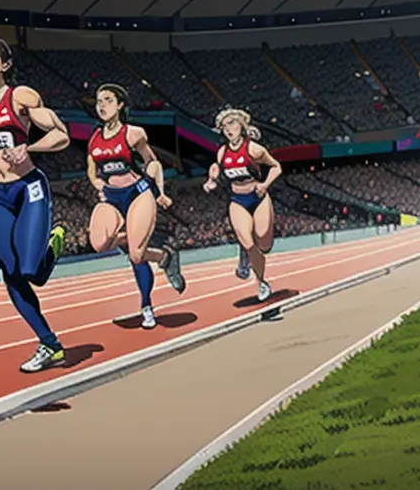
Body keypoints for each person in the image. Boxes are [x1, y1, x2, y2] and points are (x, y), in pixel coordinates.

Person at [0, 38, 69, 373]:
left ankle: (50, 249)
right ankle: (49, 343)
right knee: (10, 271)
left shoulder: (21, 96)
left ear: (5, 65)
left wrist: (30, 149)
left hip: (28, 188)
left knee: (32, 271)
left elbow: (61, 134)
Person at [86, 84, 185, 329]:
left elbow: (152, 162)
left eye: (108, 100)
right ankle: (162, 256)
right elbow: (92, 172)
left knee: (137, 256)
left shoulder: (134, 134)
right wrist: (99, 186)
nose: (102, 105)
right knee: (100, 243)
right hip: (112, 197)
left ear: (120, 105)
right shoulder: (94, 139)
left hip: (137, 194)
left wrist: (159, 192)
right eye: (99, 101)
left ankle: (147, 303)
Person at [202, 108, 281, 302]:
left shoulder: (255, 149)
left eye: (232, 124)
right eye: (225, 127)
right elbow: (218, 170)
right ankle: (262, 282)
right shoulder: (222, 152)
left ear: (242, 126)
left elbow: (276, 167)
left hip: (258, 196)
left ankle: (248, 254)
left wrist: (264, 184)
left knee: (264, 243)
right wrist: (212, 181)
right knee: (248, 241)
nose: (229, 130)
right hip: (237, 200)